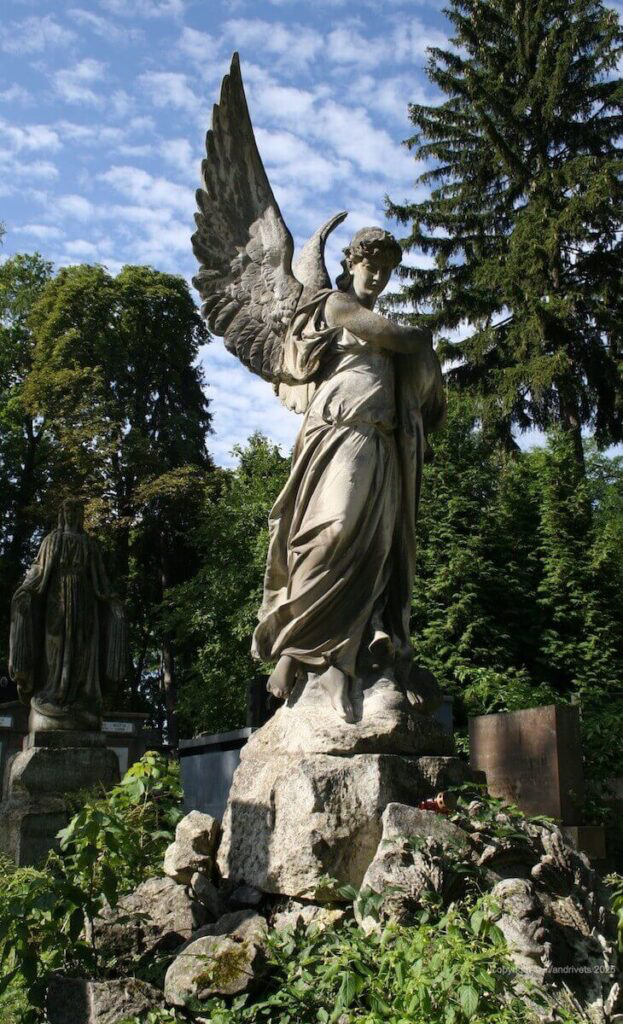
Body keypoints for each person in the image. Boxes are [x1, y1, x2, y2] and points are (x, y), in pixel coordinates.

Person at [252, 227, 445, 721]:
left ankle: (342, 660)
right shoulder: (337, 307)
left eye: (386, 270)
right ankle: (296, 645)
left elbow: (421, 383)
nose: (378, 276)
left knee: (375, 550)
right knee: (332, 531)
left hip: (380, 440)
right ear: (351, 262)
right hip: (338, 433)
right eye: (370, 266)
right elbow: (398, 337)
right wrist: (420, 341)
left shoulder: (373, 318)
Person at [9, 497, 127, 729]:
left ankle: (79, 698)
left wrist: (112, 599)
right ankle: (52, 693)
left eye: (76, 510)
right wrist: (25, 590)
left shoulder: (89, 544)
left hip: (84, 601)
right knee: (55, 644)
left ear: (81, 515)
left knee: (82, 647)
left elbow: (100, 579)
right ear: (62, 514)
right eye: (67, 510)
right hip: (57, 599)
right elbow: (38, 569)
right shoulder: (51, 541)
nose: (71, 514)